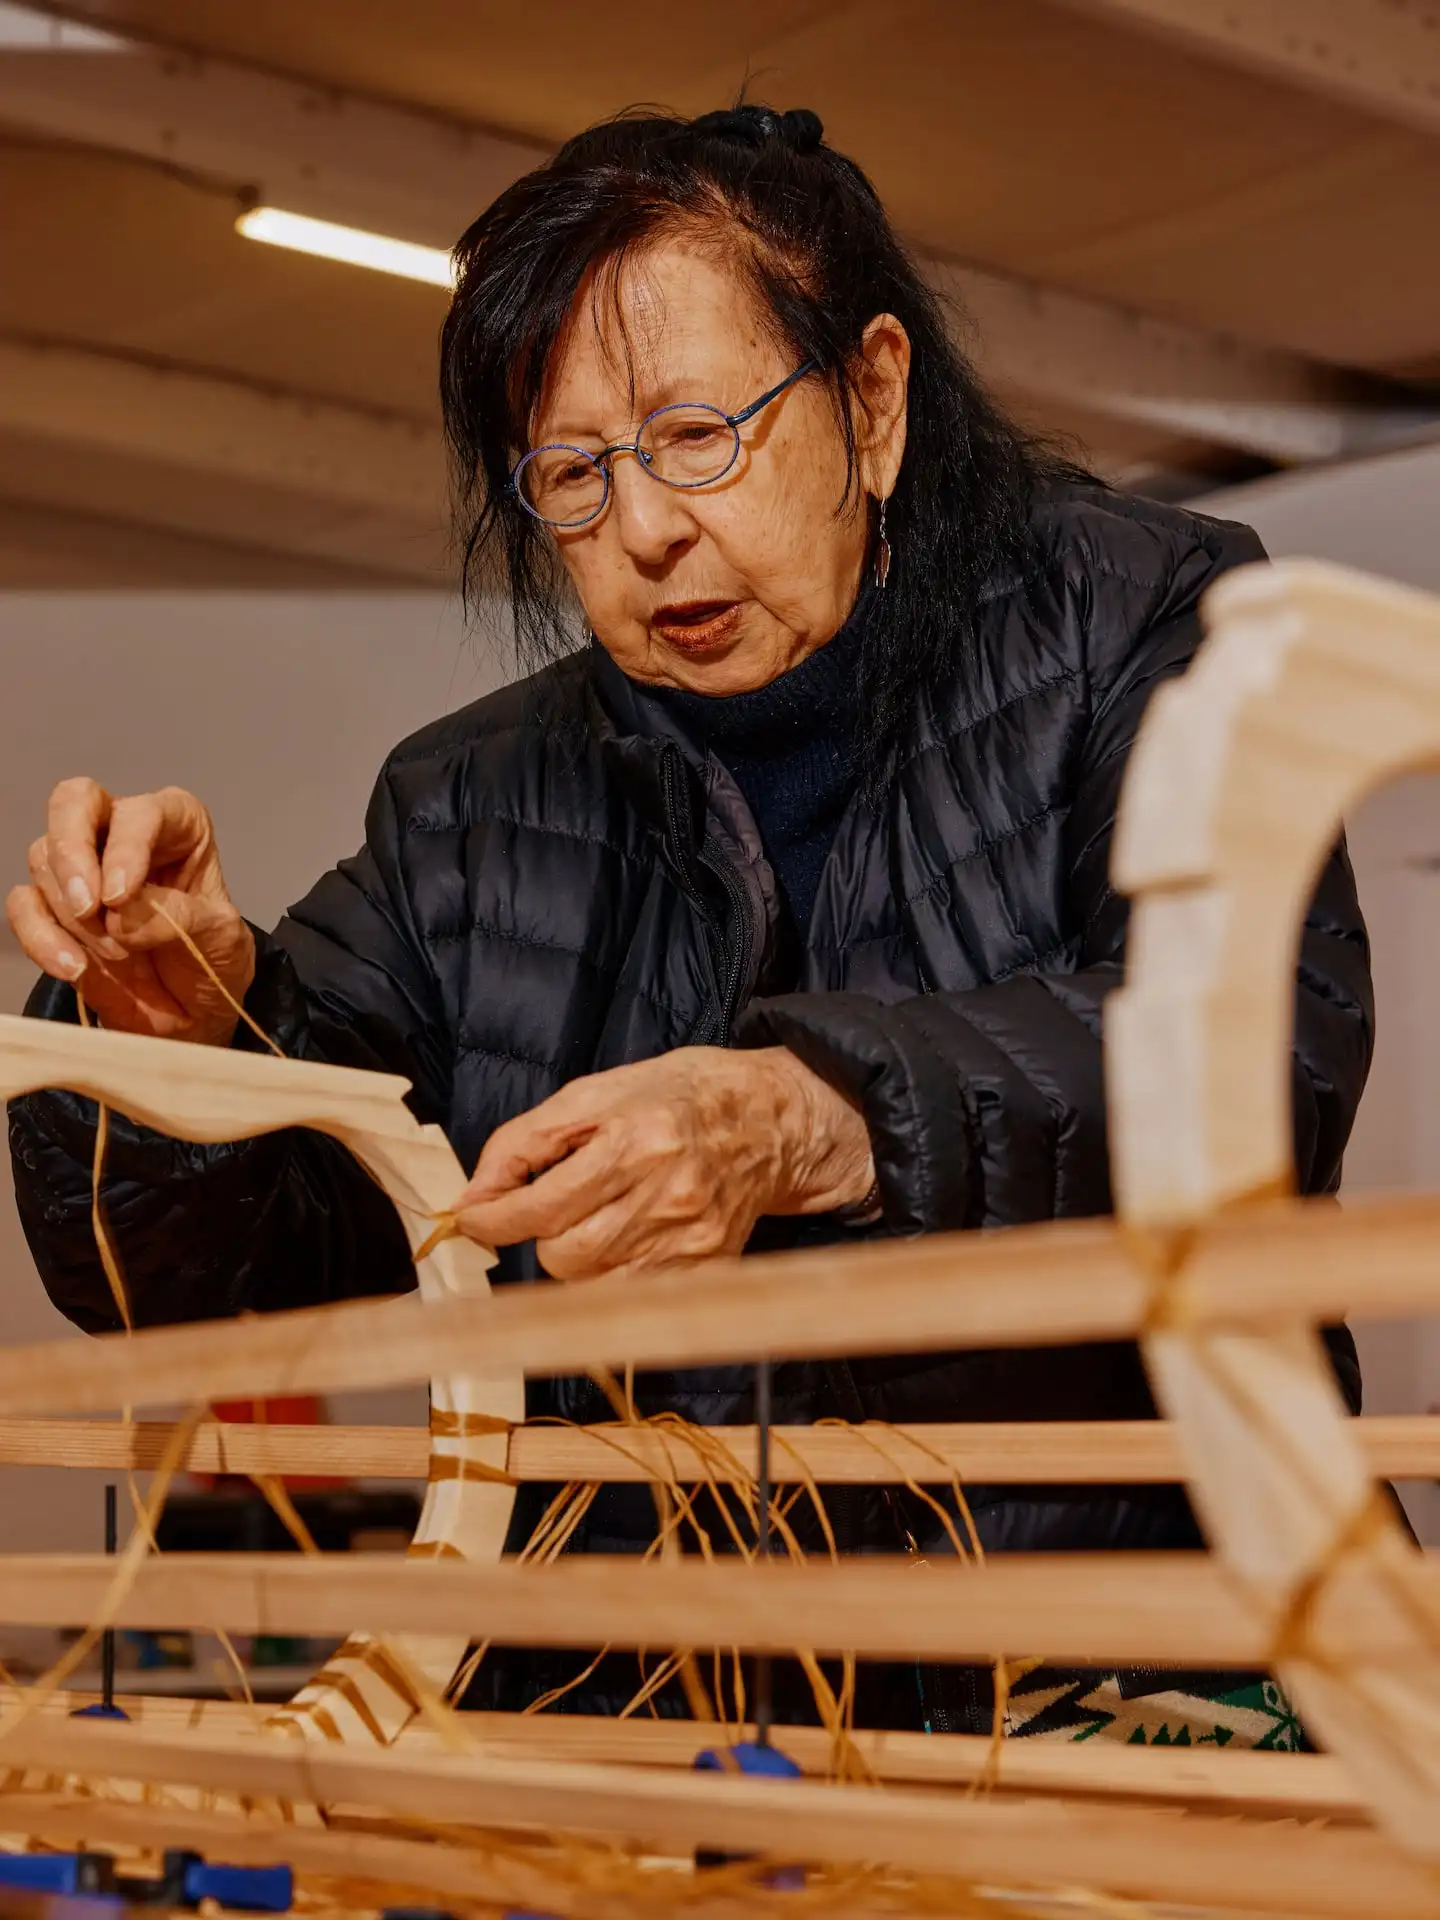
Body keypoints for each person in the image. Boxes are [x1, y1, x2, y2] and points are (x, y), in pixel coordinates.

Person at [6, 105, 1372, 1743]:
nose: (644, 528)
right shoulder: (470, 806)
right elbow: (215, 1283)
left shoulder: (1138, 624)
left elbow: (1257, 1058)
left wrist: (812, 1115)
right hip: (640, 1730)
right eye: (574, 475)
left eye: (697, 434)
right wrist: (178, 1043)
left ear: (872, 400)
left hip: (1116, 1688)